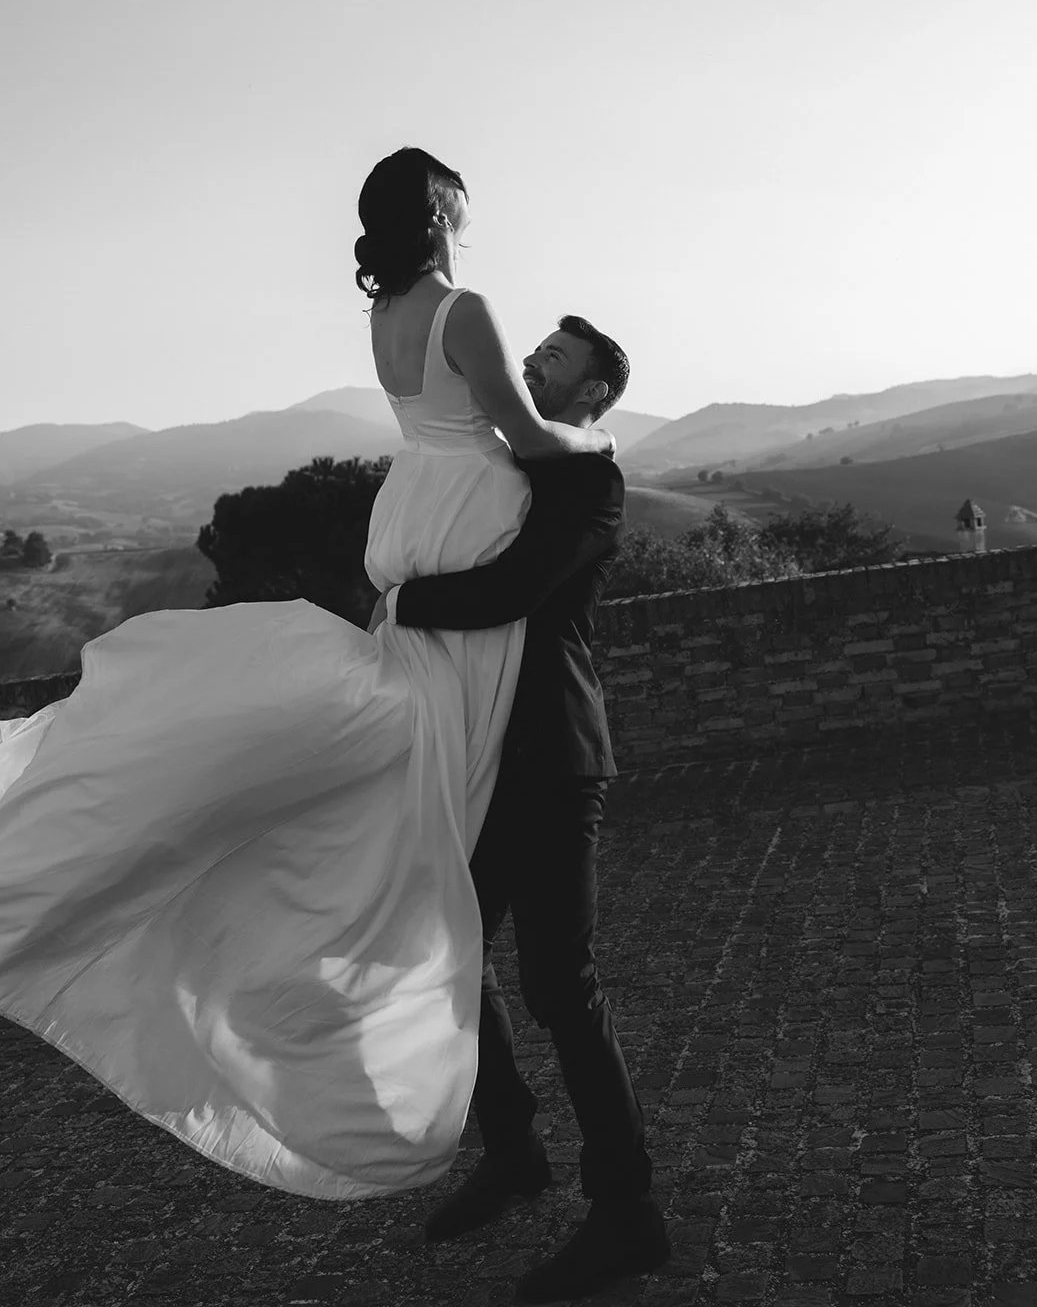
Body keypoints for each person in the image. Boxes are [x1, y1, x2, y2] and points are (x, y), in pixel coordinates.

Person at [0, 147, 614, 1202]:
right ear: (436, 213)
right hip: (451, 597)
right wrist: (576, 441)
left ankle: (581, 1174)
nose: (469, 218)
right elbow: (514, 433)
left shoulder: (411, 346)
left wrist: (411, 587)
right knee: (437, 882)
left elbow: (476, 502)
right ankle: (509, 1139)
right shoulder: (466, 322)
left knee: (507, 925)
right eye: (459, 204)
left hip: (474, 623)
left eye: (562, 362)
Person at [371, 315, 672, 1302]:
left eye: (554, 359)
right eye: (534, 348)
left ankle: (626, 1213)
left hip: (551, 756)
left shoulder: (589, 482)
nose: (533, 361)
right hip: (482, 754)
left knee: (557, 981)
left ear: (591, 395)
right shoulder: (500, 462)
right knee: (449, 950)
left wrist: (399, 603)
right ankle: (513, 1151)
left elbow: (510, 588)